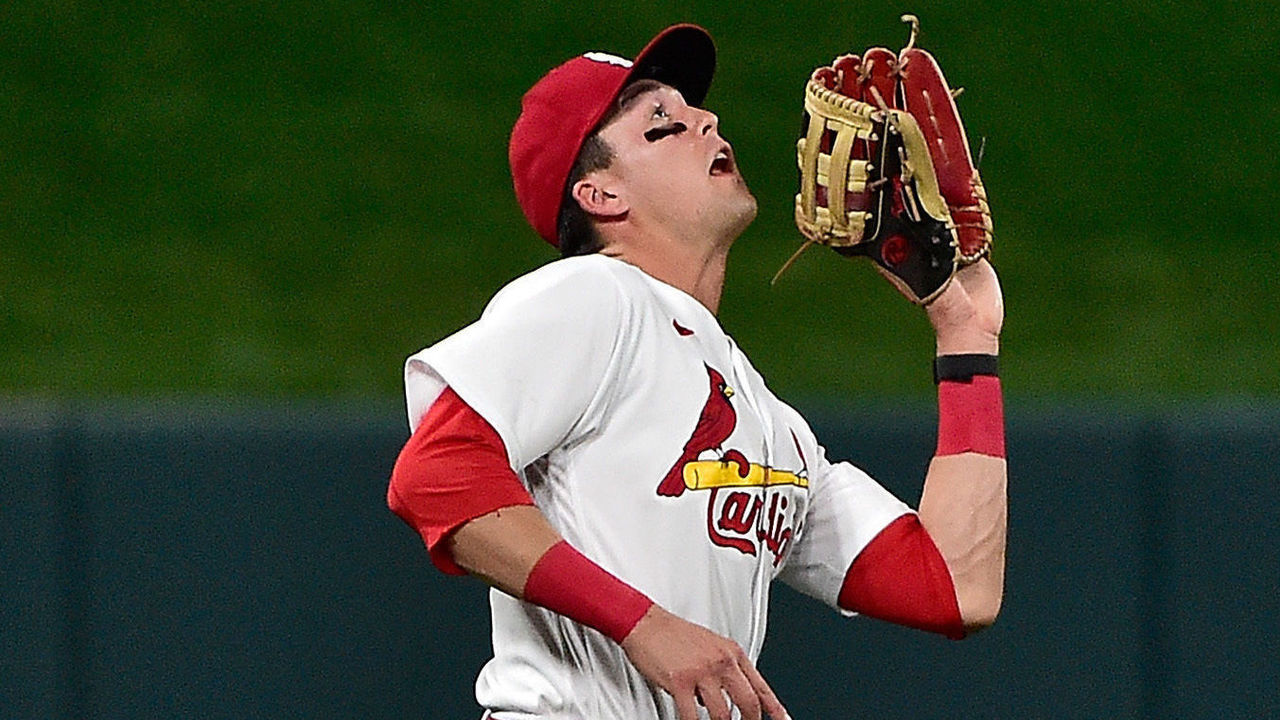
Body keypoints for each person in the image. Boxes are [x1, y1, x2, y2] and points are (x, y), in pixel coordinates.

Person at [388, 24, 1006, 720]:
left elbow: (954, 587)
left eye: (694, 111)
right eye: (664, 126)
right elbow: (437, 476)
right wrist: (643, 624)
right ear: (601, 197)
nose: (706, 119)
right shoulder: (595, 297)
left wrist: (965, 331)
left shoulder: (769, 424)